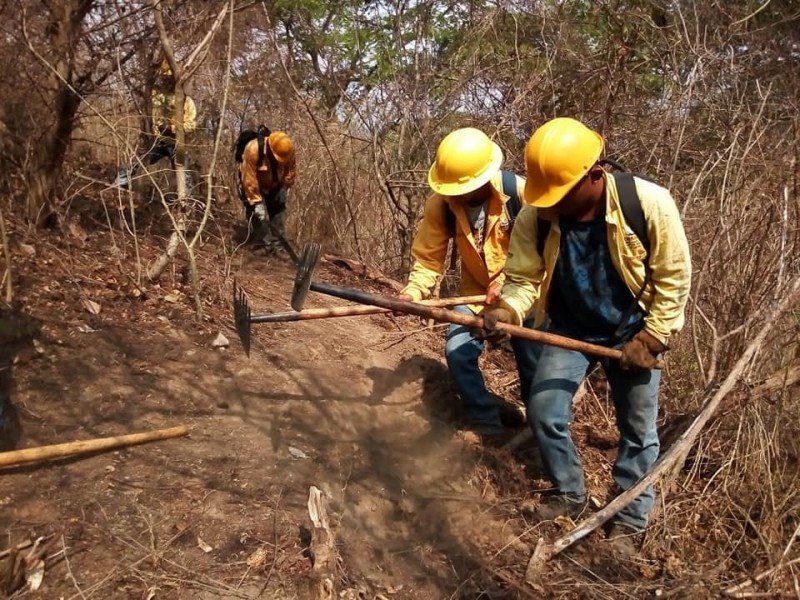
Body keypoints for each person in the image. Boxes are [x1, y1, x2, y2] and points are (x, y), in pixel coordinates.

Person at [480, 117, 691, 555]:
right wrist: (507, 310)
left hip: (634, 332)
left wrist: (652, 339)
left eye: (562, 193)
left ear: (595, 174)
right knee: (543, 410)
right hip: (571, 326)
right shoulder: (537, 216)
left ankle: (630, 519)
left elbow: (674, 277)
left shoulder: (647, 203)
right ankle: (571, 495)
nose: (553, 203)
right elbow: (522, 279)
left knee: (638, 430)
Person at [398, 127, 539, 437]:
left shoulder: (520, 194)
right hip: (475, 295)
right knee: (458, 351)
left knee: (533, 366)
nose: (457, 194)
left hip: (524, 295)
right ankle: (487, 426)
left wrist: (506, 285)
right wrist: (413, 292)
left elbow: (543, 250)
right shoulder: (441, 204)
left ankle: (536, 431)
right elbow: (428, 258)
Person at [116, 60, 198, 190]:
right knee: (138, 159)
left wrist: (173, 128)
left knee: (185, 172)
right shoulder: (157, 98)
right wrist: (156, 129)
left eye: (169, 79)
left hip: (177, 142)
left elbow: (192, 124)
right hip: (157, 139)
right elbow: (151, 118)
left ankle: (187, 202)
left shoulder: (186, 101)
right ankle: (120, 184)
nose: (167, 81)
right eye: (165, 79)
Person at [237, 126, 296, 253]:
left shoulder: (288, 151)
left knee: (278, 212)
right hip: (254, 185)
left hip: (275, 184)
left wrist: (285, 187)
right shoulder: (252, 150)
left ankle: (278, 245)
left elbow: (290, 171)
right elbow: (249, 180)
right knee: (256, 214)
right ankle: (262, 245)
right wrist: (257, 202)